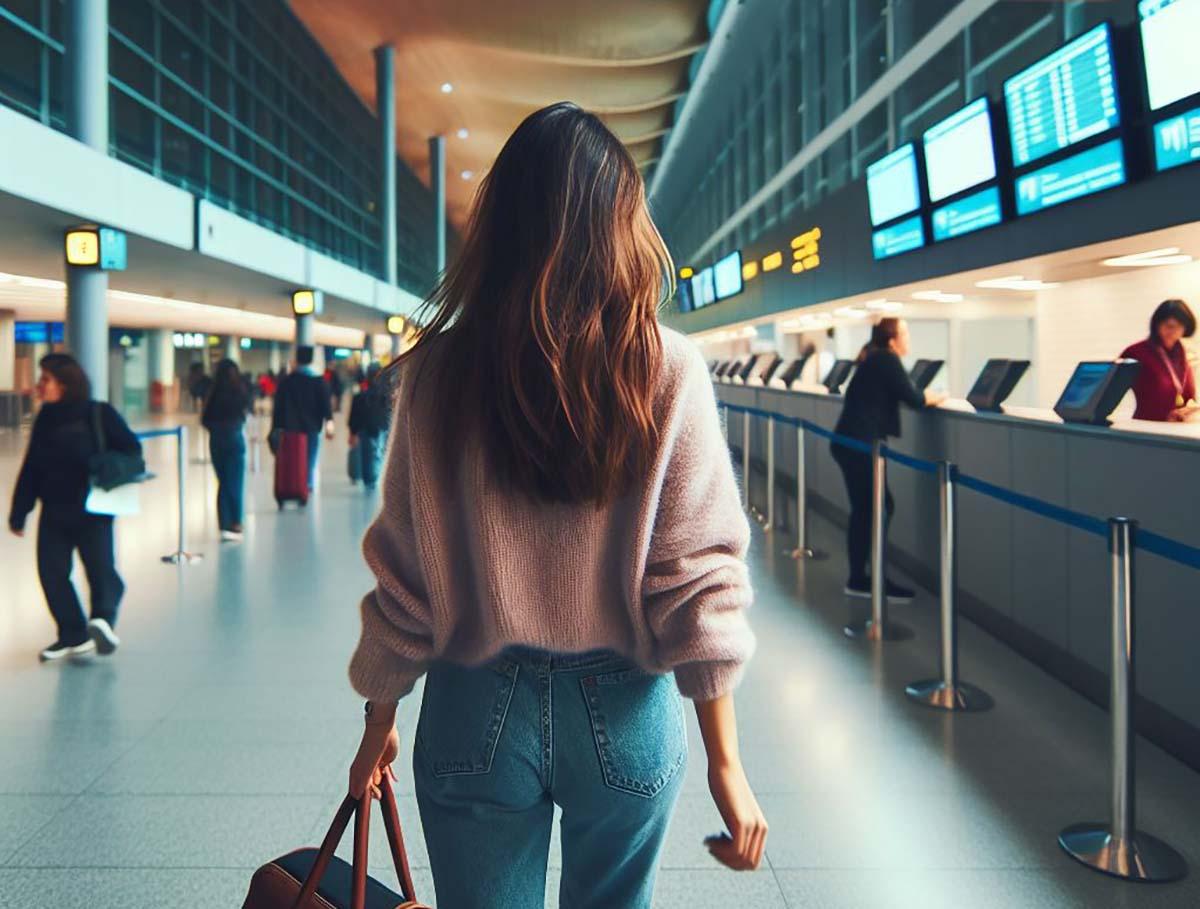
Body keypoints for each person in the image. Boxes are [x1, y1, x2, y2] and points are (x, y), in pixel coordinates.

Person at [344, 103, 766, 909]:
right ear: (623, 225)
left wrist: (379, 717)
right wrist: (727, 765)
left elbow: (405, 577)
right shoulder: (669, 369)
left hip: (474, 705)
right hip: (628, 711)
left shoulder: (438, 375)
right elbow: (699, 577)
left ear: (499, 225)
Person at [8, 353, 141, 661]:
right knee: (51, 572)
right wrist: (20, 511)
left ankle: (102, 621)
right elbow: (32, 467)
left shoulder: (99, 413)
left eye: (45, 380)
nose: (39, 386)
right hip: (54, 510)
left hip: (93, 507)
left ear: (65, 385)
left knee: (100, 570)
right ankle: (73, 634)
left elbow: (131, 448)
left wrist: (103, 464)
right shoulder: (45, 418)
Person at [831, 318, 945, 602]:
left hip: (850, 442)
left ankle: (861, 577)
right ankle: (864, 579)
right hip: (858, 445)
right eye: (905, 334)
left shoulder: (875, 358)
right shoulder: (886, 359)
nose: (908, 339)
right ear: (892, 340)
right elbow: (914, 398)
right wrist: (935, 396)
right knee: (877, 508)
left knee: (867, 509)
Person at [1120, 299, 1197, 422]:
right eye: (1168, 325)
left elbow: (1189, 399)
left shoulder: (1185, 354)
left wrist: (1189, 411)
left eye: (1179, 326)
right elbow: (1108, 393)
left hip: (1179, 430)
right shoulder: (1136, 352)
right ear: (1156, 324)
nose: (1173, 331)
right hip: (1148, 429)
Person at [270, 346, 333, 491]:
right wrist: (329, 425)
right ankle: (307, 484)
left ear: (297, 359)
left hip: (289, 428)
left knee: (293, 457)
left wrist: (275, 426)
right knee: (310, 457)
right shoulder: (318, 381)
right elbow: (326, 407)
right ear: (311, 360)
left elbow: (278, 407)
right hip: (312, 428)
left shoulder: (286, 382)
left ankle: (293, 483)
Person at [201, 359, 251, 541]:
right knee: (235, 482)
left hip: (216, 441)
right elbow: (245, 412)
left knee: (223, 482)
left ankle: (224, 523)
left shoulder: (213, 393)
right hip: (235, 438)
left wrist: (216, 429)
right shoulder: (239, 391)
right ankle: (236, 523)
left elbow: (204, 419)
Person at [346, 363, 391, 490]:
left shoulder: (361, 395)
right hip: (380, 427)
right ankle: (373, 477)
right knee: (377, 452)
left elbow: (354, 415)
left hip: (365, 428)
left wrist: (352, 432)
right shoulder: (385, 392)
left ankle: (369, 478)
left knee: (367, 453)